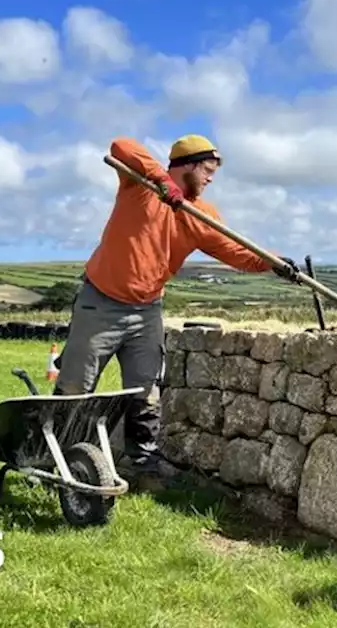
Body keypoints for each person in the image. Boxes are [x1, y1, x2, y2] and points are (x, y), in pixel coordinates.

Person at [56, 134, 299, 485]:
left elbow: (235, 251)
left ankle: (143, 466)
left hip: (146, 311)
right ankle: (60, 462)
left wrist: (271, 263)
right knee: (76, 386)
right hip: (101, 303)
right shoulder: (139, 185)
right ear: (186, 165)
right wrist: (162, 182)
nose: (211, 178)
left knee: (146, 392)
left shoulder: (200, 214)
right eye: (208, 170)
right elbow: (120, 144)